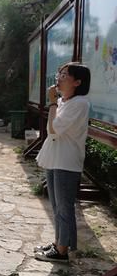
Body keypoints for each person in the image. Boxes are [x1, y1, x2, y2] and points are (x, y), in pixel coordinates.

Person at [34, 62, 91, 263]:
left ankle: (62, 251)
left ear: (77, 82)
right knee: (57, 205)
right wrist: (55, 103)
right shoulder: (65, 101)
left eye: (65, 75)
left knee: (64, 207)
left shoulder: (80, 103)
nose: (59, 78)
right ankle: (59, 242)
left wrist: (52, 103)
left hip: (66, 161)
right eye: (60, 73)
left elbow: (53, 129)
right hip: (56, 158)